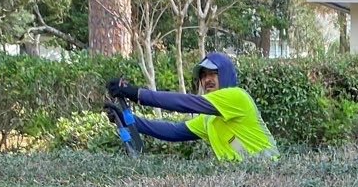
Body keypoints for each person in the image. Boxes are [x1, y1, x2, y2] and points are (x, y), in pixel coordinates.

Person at [107, 52, 278, 162]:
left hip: (269, 178)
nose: (207, 79)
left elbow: (185, 102)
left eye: (213, 73)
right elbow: (174, 131)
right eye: (203, 76)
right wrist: (126, 120)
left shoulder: (236, 97)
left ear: (226, 74)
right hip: (243, 182)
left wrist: (136, 94)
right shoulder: (209, 120)